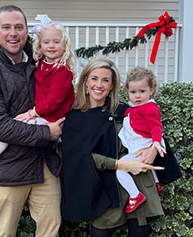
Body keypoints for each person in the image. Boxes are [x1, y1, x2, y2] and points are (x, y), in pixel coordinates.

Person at [0, 5, 64, 237]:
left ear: (27, 32)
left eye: (19, 27)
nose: (13, 33)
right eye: (7, 27)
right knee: (3, 233)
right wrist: (46, 134)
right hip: (7, 169)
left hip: (44, 166)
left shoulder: (40, 61)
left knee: (50, 230)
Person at [0, 21, 76, 183]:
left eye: (56, 42)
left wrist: (33, 113)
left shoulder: (62, 71)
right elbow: (17, 45)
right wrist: (0, 50)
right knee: (11, 127)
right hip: (43, 113)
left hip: (52, 115)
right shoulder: (42, 62)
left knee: (15, 124)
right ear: (40, 45)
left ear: (65, 45)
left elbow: (54, 100)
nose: (51, 46)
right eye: (46, 42)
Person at [61, 59, 164, 237]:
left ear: (112, 85)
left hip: (135, 186)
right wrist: (119, 165)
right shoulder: (75, 117)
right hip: (101, 188)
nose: (99, 85)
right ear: (86, 81)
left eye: (106, 80)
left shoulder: (123, 111)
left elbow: (153, 132)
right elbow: (78, 157)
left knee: (139, 232)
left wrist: (153, 150)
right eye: (94, 78)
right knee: (100, 233)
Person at [117, 67, 166, 214]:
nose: (137, 96)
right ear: (127, 91)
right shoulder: (133, 108)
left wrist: (156, 143)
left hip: (141, 147)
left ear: (151, 90)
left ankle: (135, 195)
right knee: (147, 164)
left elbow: (156, 126)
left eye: (142, 91)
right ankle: (157, 183)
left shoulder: (150, 108)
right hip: (138, 146)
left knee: (119, 170)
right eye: (133, 92)